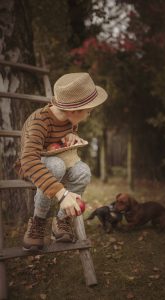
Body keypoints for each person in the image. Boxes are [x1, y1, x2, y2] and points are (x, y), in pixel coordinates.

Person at [15, 72, 108, 251]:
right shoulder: (39, 122)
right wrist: (62, 194)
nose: (89, 115)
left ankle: (62, 220)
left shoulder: (69, 119)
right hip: (33, 166)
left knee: (83, 171)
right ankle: (38, 222)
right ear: (74, 111)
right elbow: (29, 160)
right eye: (88, 111)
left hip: (58, 161)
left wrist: (72, 135)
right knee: (56, 166)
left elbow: (67, 131)